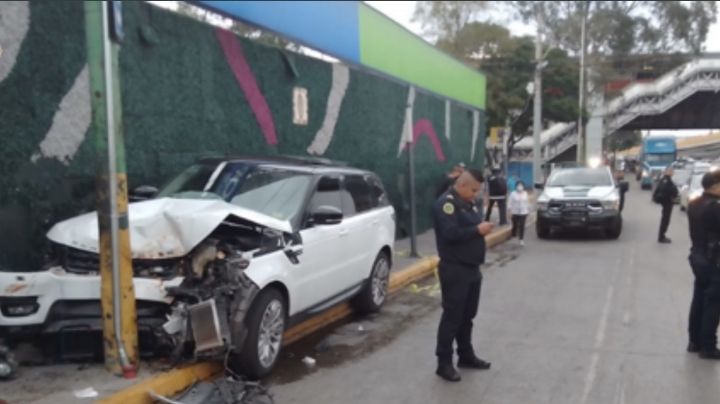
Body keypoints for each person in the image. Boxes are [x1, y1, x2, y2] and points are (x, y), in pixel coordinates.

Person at [432, 169, 494, 382]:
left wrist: (478, 229)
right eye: (474, 190)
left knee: (468, 316)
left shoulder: (468, 203)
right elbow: (450, 234)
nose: (476, 194)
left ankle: (466, 355)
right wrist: (478, 230)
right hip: (454, 268)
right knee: (452, 316)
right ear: (462, 185)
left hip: (471, 268)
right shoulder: (446, 204)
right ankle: (444, 362)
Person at [686, 170, 720, 359]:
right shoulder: (714, 207)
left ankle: (694, 342)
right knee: (713, 304)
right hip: (713, 260)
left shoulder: (694, 204)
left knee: (699, 300)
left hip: (697, 258)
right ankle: (708, 347)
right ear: (715, 185)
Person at [653, 166, 679, 243]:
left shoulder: (665, 180)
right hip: (667, 201)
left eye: (672, 171)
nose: (672, 172)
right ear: (666, 172)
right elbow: (666, 190)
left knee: (665, 219)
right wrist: (672, 194)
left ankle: (662, 235)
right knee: (665, 220)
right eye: (670, 171)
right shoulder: (666, 180)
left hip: (667, 201)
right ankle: (661, 237)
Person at [508, 181, 530, 246]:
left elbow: (527, 202)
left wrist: (528, 211)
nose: (520, 187)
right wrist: (509, 211)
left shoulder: (525, 193)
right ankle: (514, 234)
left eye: (521, 185)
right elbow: (510, 203)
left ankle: (521, 239)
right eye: (518, 185)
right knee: (515, 225)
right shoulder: (513, 194)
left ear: (523, 186)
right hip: (515, 212)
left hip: (523, 212)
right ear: (516, 186)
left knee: (522, 225)